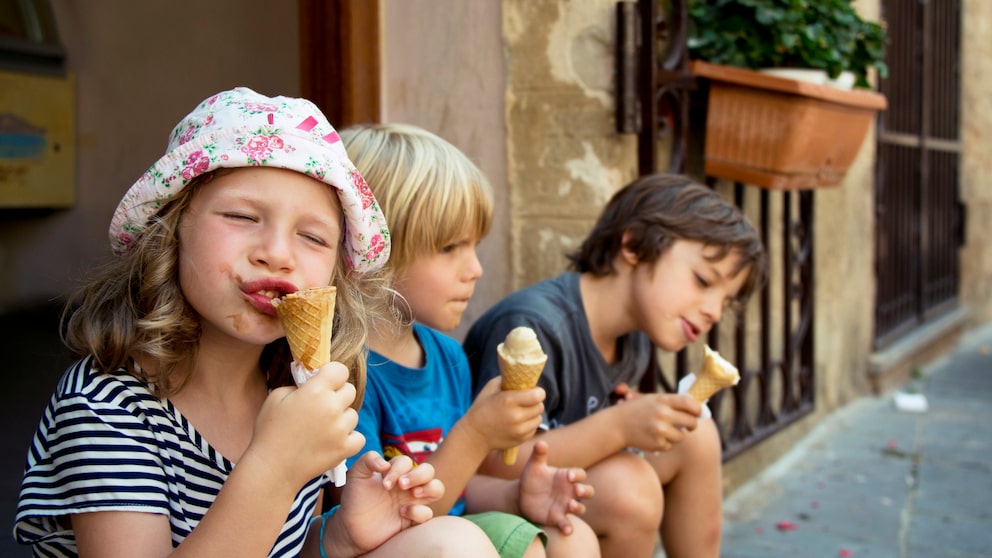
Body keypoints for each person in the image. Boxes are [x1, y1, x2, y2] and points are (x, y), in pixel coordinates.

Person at [13, 88, 500, 558]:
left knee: (452, 542)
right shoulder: (107, 407)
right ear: (170, 228)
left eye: (311, 236)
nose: (278, 254)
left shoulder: (290, 386)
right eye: (243, 217)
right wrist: (273, 467)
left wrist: (339, 538)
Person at [463, 173, 769, 558]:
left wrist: (638, 417)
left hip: (564, 482)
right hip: (486, 498)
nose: (713, 311)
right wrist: (621, 426)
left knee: (697, 435)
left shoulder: (634, 337)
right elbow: (495, 465)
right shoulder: (534, 328)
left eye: (725, 301)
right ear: (635, 245)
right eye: (703, 280)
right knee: (630, 490)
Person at [335, 123, 599, 558]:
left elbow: (459, 486)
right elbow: (376, 521)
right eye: (450, 248)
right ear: (373, 248)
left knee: (573, 537)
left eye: (475, 246)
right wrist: (476, 434)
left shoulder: (449, 357)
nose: (474, 269)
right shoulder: (346, 369)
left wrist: (516, 498)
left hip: (449, 528)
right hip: (389, 543)